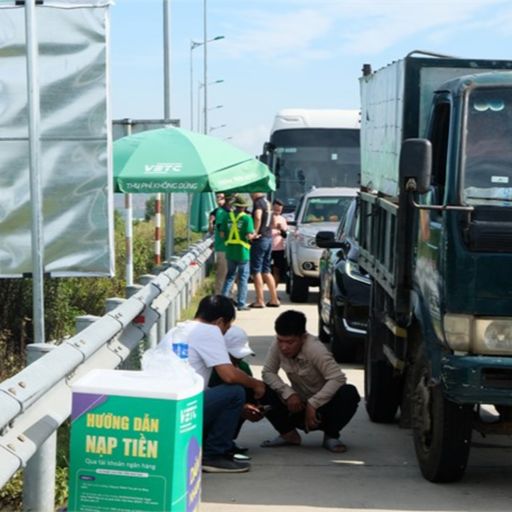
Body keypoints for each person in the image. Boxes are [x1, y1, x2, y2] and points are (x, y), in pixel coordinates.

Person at [160, 295, 265, 473]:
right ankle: (214, 455)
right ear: (219, 322)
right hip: (183, 409)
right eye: (227, 327)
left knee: (218, 394)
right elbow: (229, 375)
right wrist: (256, 384)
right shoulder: (209, 331)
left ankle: (205, 448)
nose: (224, 332)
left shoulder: (176, 330)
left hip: (165, 408)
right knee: (235, 392)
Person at [260, 310, 360, 453]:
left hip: (323, 408)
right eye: (280, 340)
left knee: (349, 392)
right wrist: (288, 393)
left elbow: (337, 378)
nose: (284, 347)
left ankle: (331, 436)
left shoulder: (315, 349)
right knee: (260, 389)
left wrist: (314, 403)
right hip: (296, 406)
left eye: (290, 342)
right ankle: (288, 434)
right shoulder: (277, 345)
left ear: (302, 337)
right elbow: (268, 372)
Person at [209, 325, 264, 460]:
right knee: (235, 393)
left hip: (232, 415)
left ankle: (226, 440)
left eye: (240, 356)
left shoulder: (244, 368)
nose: (238, 360)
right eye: (233, 356)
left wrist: (254, 409)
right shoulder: (210, 369)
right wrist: (240, 409)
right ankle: (213, 446)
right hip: (209, 418)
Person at [220, 195, 255, 311]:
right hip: (243, 251)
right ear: (244, 207)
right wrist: (254, 236)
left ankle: (223, 303)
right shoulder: (247, 218)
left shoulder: (227, 216)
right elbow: (249, 235)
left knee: (230, 276)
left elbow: (222, 234)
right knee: (243, 278)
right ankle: (241, 303)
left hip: (230, 250)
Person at [249, 192, 280, 308]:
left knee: (256, 271)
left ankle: (260, 300)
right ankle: (274, 299)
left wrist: (255, 232)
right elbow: (273, 222)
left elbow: (257, 216)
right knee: (266, 270)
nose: (250, 195)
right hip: (268, 238)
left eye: (251, 193)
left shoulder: (258, 203)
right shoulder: (268, 203)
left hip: (260, 239)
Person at [209, 192, 230, 294]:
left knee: (224, 274)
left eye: (221, 198)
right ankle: (223, 295)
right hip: (225, 247)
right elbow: (214, 230)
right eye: (217, 197)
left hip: (225, 247)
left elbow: (220, 231)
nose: (219, 200)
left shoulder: (221, 212)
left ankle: (222, 296)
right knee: (226, 274)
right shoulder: (220, 212)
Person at [270, 199, 288, 287]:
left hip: (279, 249)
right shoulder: (267, 217)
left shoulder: (282, 219)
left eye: (280, 210)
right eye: (276, 210)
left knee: (277, 270)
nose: (278, 212)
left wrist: (280, 229)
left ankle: (274, 291)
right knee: (265, 271)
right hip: (268, 247)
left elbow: (285, 235)